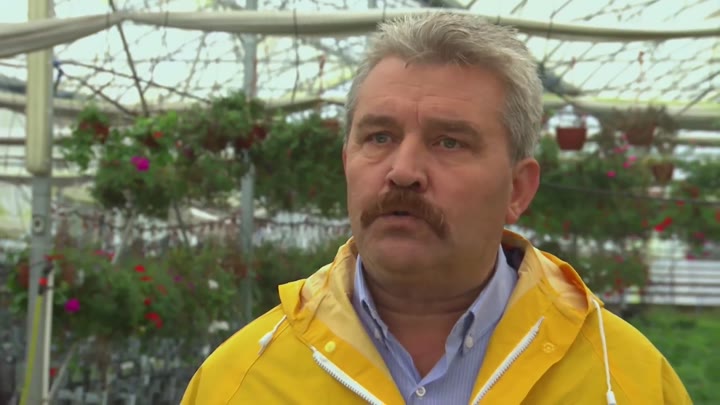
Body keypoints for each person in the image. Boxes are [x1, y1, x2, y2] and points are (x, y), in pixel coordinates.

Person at [181, 12, 691, 405]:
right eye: (379, 137)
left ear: (518, 189)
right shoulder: (238, 381)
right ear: (346, 163)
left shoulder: (624, 381)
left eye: (449, 142)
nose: (403, 171)